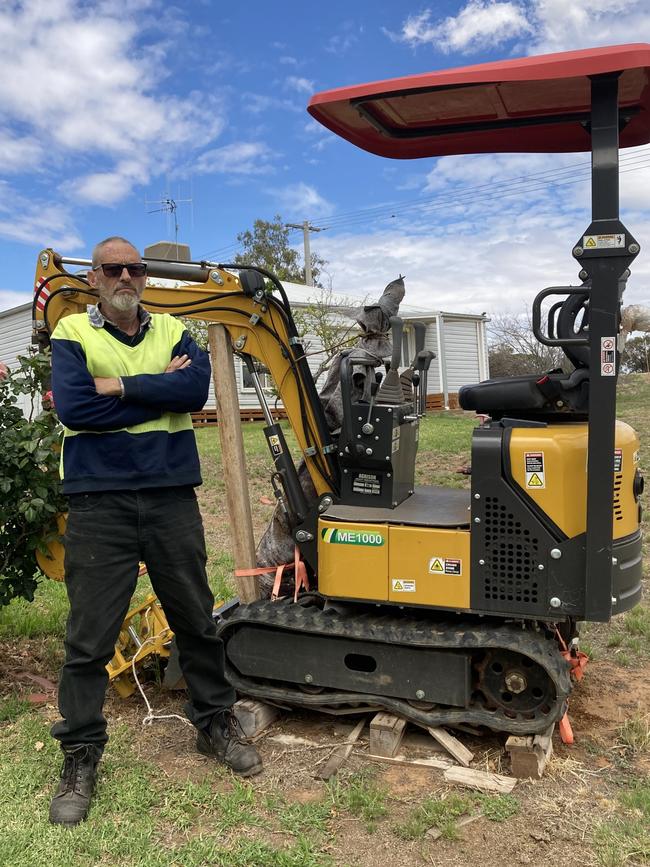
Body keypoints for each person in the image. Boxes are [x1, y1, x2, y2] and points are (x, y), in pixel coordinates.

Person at [48, 236, 262, 827]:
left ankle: (214, 726)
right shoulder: (72, 333)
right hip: (99, 503)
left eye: (135, 268)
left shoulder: (173, 331)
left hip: (171, 498)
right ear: (94, 277)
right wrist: (153, 390)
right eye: (113, 269)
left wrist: (116, 386)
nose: (125, 276)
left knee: (195, 619)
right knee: (89, 638)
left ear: (144, 276)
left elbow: (194, 391)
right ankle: (81, 754)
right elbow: (74, 409)